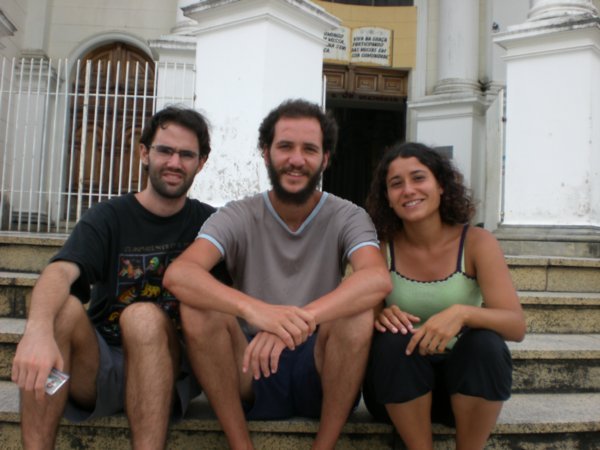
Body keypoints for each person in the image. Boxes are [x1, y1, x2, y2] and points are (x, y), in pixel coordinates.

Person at [163, 98, 392, 450]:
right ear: (265, 152)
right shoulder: (238, 214)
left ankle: (324, 446)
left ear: (325, 159)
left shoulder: (348, 215)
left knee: (358, 313)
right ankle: (241, 445)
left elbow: (376, 278)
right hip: (251, 366)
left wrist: (292, 325)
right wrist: (257, 312)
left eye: (309, 149)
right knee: (197, 307)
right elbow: (180, 275)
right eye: (285, 146)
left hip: (321, 365)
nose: (296, 160)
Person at [11, 106, 221, 450]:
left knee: (142, 317)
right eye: (164, 150)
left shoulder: (210, 225)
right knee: (60, 311)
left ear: (201, 162)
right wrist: (36, 332)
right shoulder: (108, 217)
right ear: (144, 152)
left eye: (186, 154)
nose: (174, 162)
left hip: (166, 371)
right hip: (99, 367)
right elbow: (60, 271)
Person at [362, 142, 526, 450]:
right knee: (392, 342)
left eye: (418, 178)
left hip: (462, 390)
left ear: (440, 185)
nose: (408, 190)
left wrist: (462, 313)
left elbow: (515, 325)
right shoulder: (379, 248)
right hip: (396, 392)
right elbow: (356, 314)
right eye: (396, 184)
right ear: (388, 198)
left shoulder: (477, 243)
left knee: (486, 343)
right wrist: (377, 315)